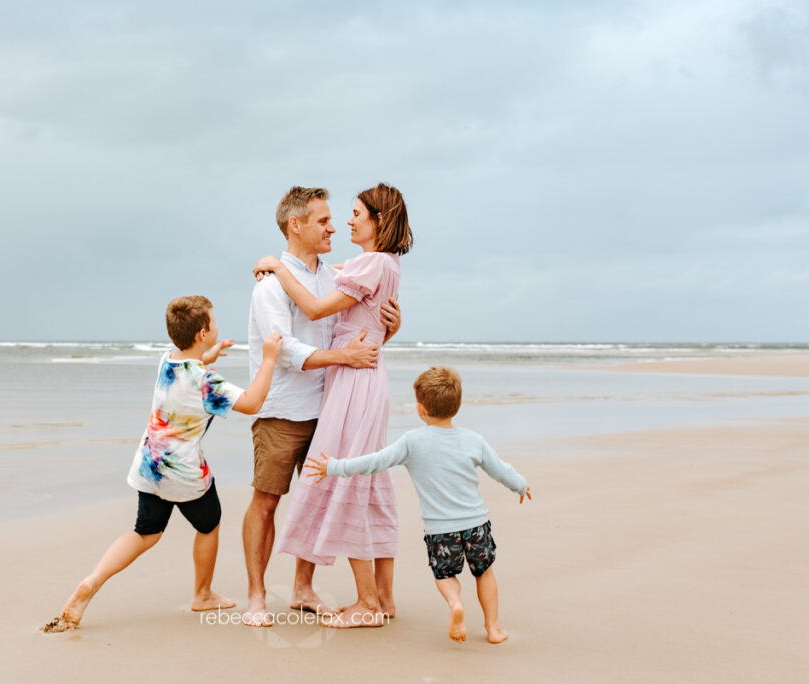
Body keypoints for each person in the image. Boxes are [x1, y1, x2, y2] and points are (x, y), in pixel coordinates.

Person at [42, 296, 282, 633]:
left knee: (145, 532)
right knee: (209, 524)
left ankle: (93, 580)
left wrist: (207, 358)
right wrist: (269, 359)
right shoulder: (206, 383)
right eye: (213, 321)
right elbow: (253, 402)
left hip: (150, 466)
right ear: (202, 333)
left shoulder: (167, 360)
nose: (216, 325)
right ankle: (202, 594)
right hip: (184, 473)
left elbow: (190, 368)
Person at [253, 182, 411, 628]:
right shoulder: (383, 263)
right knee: (368, 481)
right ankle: (383, 597)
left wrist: (276, 268)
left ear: (378, 221)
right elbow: (349, 291)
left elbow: (320, 307)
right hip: (359, 377)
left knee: (350, 481)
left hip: (354, 381)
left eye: (356, 213)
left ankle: (366, 604)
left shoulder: (372, 263)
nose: (346, 221)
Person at [304, 366, 532, 643]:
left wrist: (334, 466)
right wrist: (519, 485)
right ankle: (494, 629)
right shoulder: (473, 440)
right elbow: (500, 470)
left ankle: (455, 603)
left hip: (441, 531)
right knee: (484, 573)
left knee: (445, 575)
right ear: (457, 406)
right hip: (477, 526)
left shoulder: (413, 441)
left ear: (421, 408)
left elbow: (375, 461)